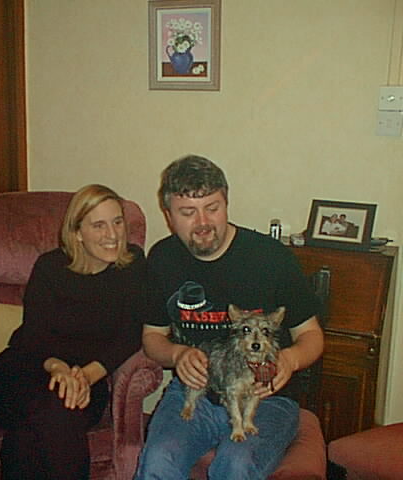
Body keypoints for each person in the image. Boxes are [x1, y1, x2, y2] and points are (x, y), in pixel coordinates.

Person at [134, 155, 324, 479]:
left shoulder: (270, 257)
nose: (203, 222)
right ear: (168, 216)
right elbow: (152, 337)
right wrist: (177, 354)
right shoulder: (163, 258)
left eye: (212, 207)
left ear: (226, 203)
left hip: (266, 397)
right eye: (188, 212)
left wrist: (289, 360)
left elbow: (312, 335)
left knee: (236, 465)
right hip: (195, 391)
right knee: (158, 461)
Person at [0, 184, 147, 480]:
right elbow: (33, 337)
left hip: (86, 381)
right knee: (53, 413)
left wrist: (86, 376)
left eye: (117, 222)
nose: (112, 234)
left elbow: (131, 334)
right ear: (77, 232)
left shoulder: (132, 265)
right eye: (99, 225)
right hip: (22, 372)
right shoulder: (50, 267)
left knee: (43, 421)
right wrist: (58, 369)